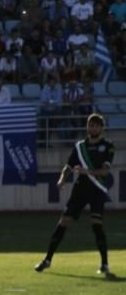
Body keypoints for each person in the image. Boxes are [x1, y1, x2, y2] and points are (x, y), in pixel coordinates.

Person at [35, 114, 116, 278]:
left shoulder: (108, 146)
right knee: (63, 221)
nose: (92, 128)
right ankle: (47, 259)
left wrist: (88, 172)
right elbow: (69, 166)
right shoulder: (80, 147)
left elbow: (106, 171)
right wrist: (62, 179)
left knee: (96, 224)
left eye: (95, 126)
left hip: (97, 190)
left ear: (101, 128)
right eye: (90, 125)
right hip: (80, 189)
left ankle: (104, 264)